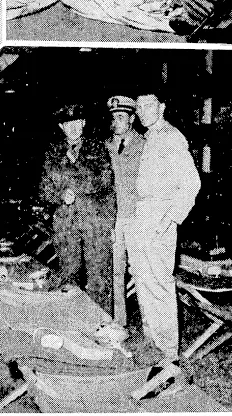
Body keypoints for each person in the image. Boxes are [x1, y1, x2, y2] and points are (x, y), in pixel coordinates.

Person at [129, 92, 201, 365]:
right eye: (139, 107)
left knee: (159, 284)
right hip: (142, 215)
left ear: (162, 107)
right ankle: (153, 344)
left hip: (159, 217)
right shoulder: (149, 138)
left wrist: (170, 219)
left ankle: (168, 352)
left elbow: (191, 183)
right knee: (144, 283)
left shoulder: (171, 136)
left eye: (149, 106)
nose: (143, 111)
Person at [39, 104, 116, 315]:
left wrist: (74, 187)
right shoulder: (52, 152)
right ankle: (72, 324)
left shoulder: (98, 149)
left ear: (83, 123)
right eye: (67, 124)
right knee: (68, 276)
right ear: (61, 127)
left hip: (95, 223)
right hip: (66, 224)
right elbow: (44, 189)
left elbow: (105, 181)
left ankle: (102, 325)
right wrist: (60, 195)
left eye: (77, 123)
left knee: (98, 277)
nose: (73, 128)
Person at [104, 96, 145, 326]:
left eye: (121, 117)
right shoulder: (105, 147)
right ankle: (119, 325)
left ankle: (150, 327)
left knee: (141, 273)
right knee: (115, 274)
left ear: (131, 118)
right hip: (114, 219)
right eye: (113, 117)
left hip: (137, 219)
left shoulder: (145, 145)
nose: (116, 122)